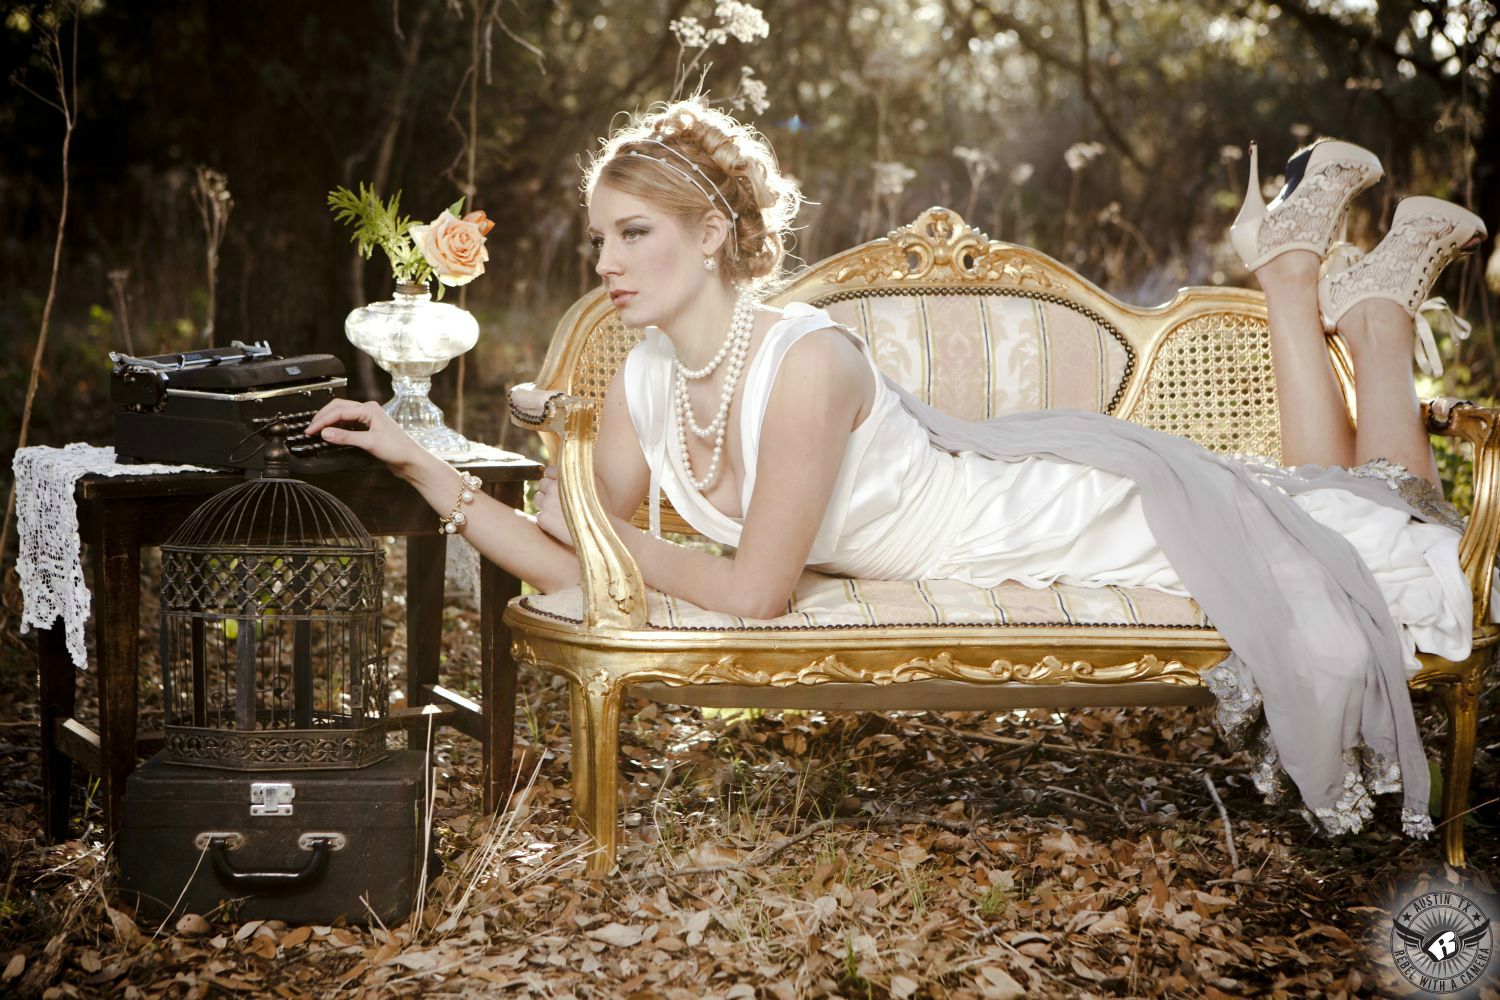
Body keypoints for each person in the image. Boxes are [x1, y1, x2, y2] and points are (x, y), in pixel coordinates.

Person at [308, 98, 1489, 838]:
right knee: (1328, 518)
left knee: (1379, 547)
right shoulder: (643, 382)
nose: (608, 265)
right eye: (598, 241)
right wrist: (433, 476)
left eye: (634, 234)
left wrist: (596, 531)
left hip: (1073, 513)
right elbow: (585, 575)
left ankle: (1335, 296)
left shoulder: (805, 361)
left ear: (712, 234)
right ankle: (1334, 290)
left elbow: (745, 590)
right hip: (1011, 520)